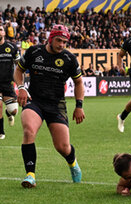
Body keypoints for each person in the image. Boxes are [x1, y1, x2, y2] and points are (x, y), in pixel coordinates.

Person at [14, 24, 85, 188]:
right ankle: (30, 175)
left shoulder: (69, 59)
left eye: (64, 42)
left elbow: (79, 82)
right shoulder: (33, 52)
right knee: (28, 130)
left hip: (56, 104)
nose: (61, 45)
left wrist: (79, 105)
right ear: (50, 38)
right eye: (58, 40)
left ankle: (72, 163)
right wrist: (22, 88)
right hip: (35, 101)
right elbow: (18, 71)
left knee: (63, 147)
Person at [0, 24, 20, 139]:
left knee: (14, 111)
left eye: (1, 29)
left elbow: (19, 65)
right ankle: (1, 132)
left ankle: (9, 114)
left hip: (8, 83)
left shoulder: (12, 47)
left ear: (4, 33)